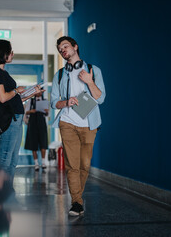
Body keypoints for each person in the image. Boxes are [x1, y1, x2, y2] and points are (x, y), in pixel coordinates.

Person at [50, 36, 106, 216]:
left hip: (89, 124)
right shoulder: (59, 74)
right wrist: (66, 102)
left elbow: (101, 98)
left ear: (75, 47)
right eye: (60, 49)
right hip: (67, 122)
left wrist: (89, 81)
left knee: (85, 164)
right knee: (72, 165)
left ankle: (77, 197)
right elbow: (53, 103)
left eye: (65, 46)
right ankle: (76, 203)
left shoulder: (93, 70)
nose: (62, 50)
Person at [0, 39, 44, 181]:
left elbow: (14, 100)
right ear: (2, 53)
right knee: (5, 159)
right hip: (9, 120)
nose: (12, 54)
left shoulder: (2, 73)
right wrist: (16, 90)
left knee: (12, 160)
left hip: (15, 119)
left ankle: (6, 192)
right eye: (10, 51)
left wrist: (32, 93)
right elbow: (3, 98)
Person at [24, 90, 49, 171]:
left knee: (43, 143)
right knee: (33, 144)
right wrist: (31, 111)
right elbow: (26, 112)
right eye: (38, 91)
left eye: (40, 92)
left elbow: (48, 115)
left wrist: (46, 112)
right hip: (33, 124)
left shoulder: (45, 101)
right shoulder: (30, 101)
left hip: (42, 124)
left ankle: (43, 163)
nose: (39, 93)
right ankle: (36, 164)